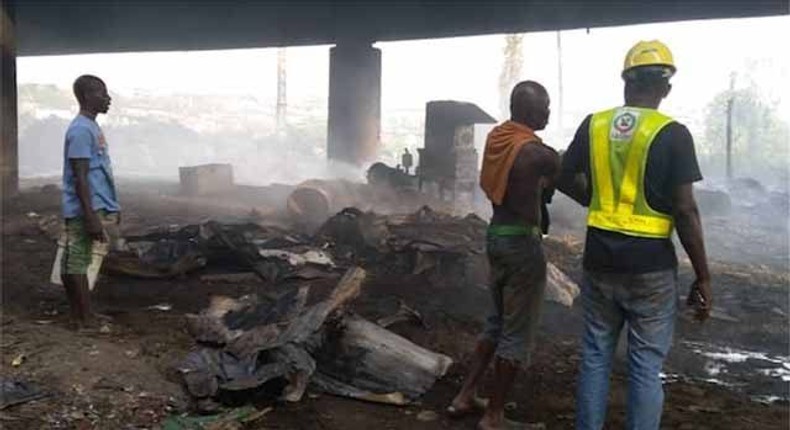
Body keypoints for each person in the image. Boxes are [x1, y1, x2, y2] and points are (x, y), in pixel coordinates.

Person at [557, 41, 711, 430]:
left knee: (595, 356)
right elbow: (685, 210)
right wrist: (704, 276)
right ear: (666, 88)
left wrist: (591, 198)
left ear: (626, 82)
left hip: (599, 260)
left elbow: (561, 173)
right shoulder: (674, 134)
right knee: (645, 366)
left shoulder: (595, 124)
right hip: (651, 268)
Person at [447, 81, 559, 430]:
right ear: (529, 111)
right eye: (545, 107)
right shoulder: (538, 154)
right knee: (516, 332)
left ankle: (465, 396)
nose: (548, 113)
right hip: (522, 245)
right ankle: (494, 416)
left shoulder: (498, 139)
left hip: (496, 235)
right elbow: (575, 183)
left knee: (495, 324)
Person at [60, 74, 120, 329]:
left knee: (73, 261)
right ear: (87, 96)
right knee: (78, 262)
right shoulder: (81, 130)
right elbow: (80, 178)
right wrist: (91, 216)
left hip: (96, 204)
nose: (108, 98)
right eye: (102, 93)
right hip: (86, 208)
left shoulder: (91, 127)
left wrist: (113, 205)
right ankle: (85, 319)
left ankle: (78, 315)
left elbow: (99, 171)